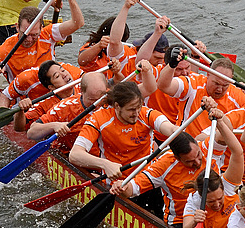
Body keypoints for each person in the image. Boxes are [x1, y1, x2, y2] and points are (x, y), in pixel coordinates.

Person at [68, 77, 177, 216]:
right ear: (117, 106)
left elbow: (171, 129)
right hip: (118, 185)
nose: (136, 113)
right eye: (131, 110)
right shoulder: (99, 119)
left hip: (148, 179)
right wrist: (105, 164)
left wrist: (179, 133)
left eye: (139, 107)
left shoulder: (146, 114)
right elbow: (74, 155)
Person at [0, 0, 84, 86]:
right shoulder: (6, 49)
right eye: (25, 34)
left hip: (51, 88)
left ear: (41, 28)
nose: (29, 39)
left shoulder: (48, 34)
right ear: (16, 27)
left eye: (34, 35)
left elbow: (78, 23)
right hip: (26, 98)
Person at [109, 130, 205, 228]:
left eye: (198, 155)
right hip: (180, 221)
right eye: (190, 161)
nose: (198, 163)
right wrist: (122, 186)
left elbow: (221, 138)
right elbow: (132, 189)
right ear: (177, 158)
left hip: (212, 213)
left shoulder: (207, 147)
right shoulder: (163, 166)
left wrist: (220, 120)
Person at [181, 112, 245, 228]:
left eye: (219, 199)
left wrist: (220, 122)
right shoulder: (195, 201)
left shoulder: (228, 185)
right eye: (211, 202)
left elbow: (238, 152)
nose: (216, 205)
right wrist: (194, 222)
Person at [156, 46, 245, 135]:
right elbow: (164, 86)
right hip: (189, 145)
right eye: (216, 83)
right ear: (208, 75)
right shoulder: (193, 83)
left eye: (225, 85)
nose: (220, 89)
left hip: (217, 147)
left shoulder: (237, 94)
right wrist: (172, 65)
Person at [26, 71, 109, 153]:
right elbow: (31, 133)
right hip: (72, 154)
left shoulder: (112, 99)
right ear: (82, 92)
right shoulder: (65, 107)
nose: (97, 104)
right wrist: (54, 126)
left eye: (101, 99)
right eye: (92, 100)